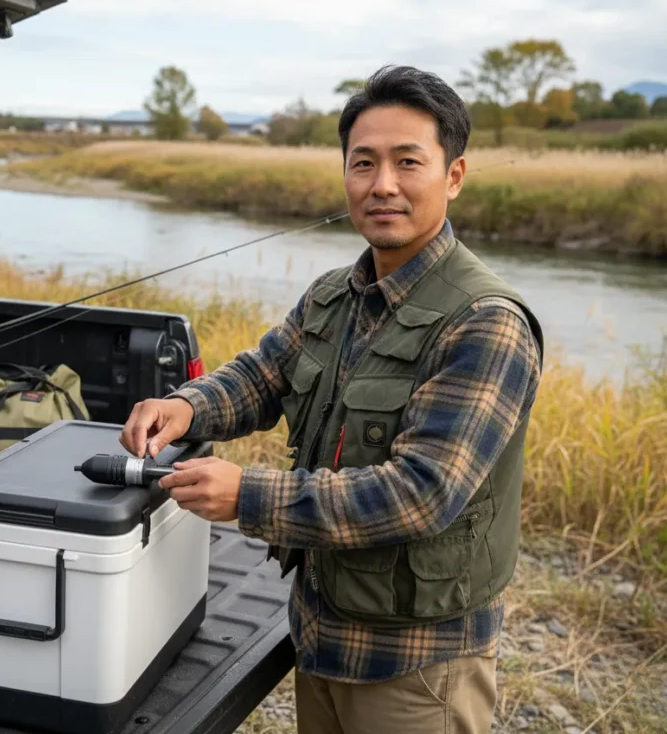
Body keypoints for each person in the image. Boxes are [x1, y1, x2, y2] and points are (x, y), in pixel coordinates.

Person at [119, 64, 544, 734]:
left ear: (453, 175)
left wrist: (246, 495)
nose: (383, 185)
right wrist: (188, 406)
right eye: (363, 163)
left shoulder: (485, 321)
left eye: (409, 162)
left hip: (416, 669)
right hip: (320, 635)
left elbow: (421, 493)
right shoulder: (330, 295)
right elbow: (261, 376)